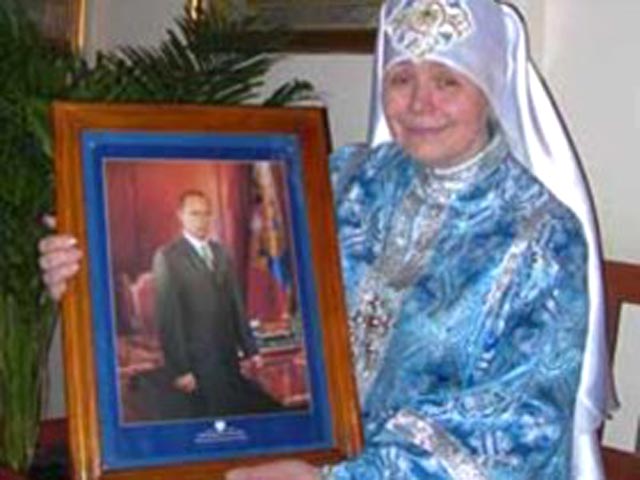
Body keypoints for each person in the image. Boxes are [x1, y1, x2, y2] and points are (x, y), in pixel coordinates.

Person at [39, 0, 612, 477]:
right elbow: (230, 282)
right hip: (284, 455)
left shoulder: (543, 238)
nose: (420, 104)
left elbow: (520, 423)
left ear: (491, 87)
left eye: (447, 81)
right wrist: (86, 265)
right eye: (402, 78)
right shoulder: (343, 179)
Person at [151, 189, 278, 418]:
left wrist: (251, 350)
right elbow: (168, 319)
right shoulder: (168, 257)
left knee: (241, 416)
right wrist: (181, 370)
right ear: (181, 215)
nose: (202, 220)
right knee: (212, 422)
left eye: (206, 214)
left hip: (229, 357)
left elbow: (236, 306)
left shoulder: (221, 253)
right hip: (197, 364)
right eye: (194, 214)